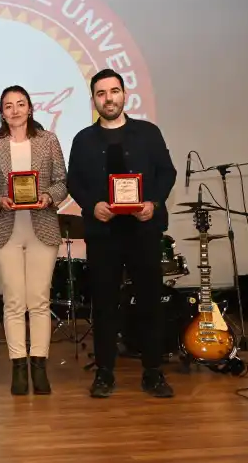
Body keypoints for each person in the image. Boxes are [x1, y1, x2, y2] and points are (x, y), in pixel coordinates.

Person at [67, 68, 177, 398]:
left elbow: (167, 173)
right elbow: (74, 182)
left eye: (114, 91)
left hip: (143, 229)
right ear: (94, 100)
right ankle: (104, 372)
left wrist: (154, 203)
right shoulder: (83, 139)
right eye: (101, 94)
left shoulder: (148, 133)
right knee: (103, 304)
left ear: (124, 95)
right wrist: (92, 205)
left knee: (149, 302)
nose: (108, 98)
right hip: (104, 234)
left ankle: (154, 372)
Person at [0, 85, 68, 396]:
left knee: (39, 300)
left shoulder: (49, 141)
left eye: (20, 104)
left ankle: (39, 367)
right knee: (14, 301)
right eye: (8, 106)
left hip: (42, 228)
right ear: (1, 112)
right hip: (7, 231)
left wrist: (47, 196)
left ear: (30, 108)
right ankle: (18, 366)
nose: (15, 110)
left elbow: (62, 182)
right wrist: (0, 201)